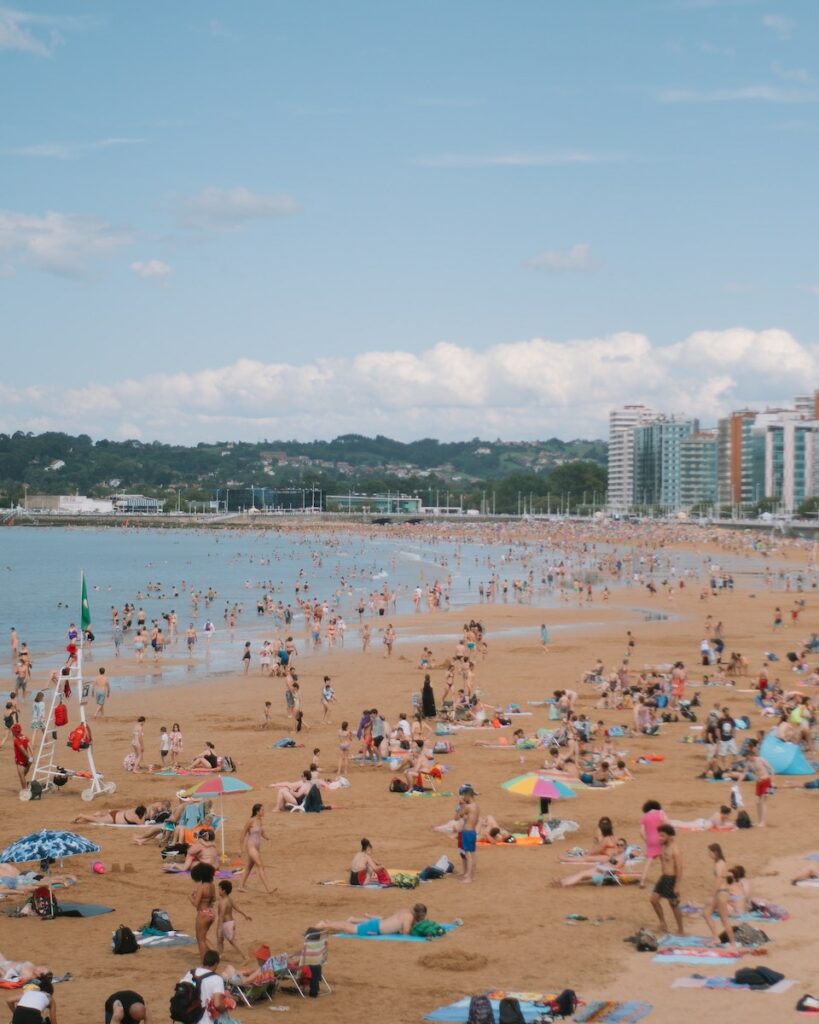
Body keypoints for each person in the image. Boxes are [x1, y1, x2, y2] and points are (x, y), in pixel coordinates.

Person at [649, 824, 684, 936]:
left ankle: (681, 930)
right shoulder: (662, 846)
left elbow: (679, 868)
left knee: (674, 905)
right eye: (659, 835)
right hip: (663, 877)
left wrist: (677, 885)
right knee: (654, 900)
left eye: (662, 836)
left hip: (672, 878)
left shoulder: (675, 849)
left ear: (669, 836)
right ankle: (663, 924)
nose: (660, 838)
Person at [313, 903, 427, 936]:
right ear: (419, 914)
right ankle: (324, 924)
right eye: (423, 916)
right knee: (349, 928)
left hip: (377, 924)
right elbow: (406, 933)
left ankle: (329, 923)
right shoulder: (409, 917)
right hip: (375, 928)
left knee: (349, 927)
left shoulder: (405, 911)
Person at [702, 842, 736, 948]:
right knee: (706, 913)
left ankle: (732, 943)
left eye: (710, 852)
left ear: (715, 852)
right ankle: (716, 938)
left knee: (724, 918)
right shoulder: (722, 862)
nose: (709, 854)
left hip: (721, 893)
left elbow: (718, 879)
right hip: (722, 892)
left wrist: (712, 895)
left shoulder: (718, 864)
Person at [177, 950, 225, 1024]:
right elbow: (217, 1004)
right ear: (216, 964)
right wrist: (224, 1009)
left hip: (188, 1018)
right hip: (204, 1020)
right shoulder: (217, 978)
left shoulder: (191, 972)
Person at [239, 804, 273, 894]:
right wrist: (240, 849)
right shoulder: (250, 821)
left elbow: (262, 832)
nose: (263, 812)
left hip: (256, 847)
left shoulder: (260, 820)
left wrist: (268, 838)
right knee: (260, 865)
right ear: (257, 811)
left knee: (249, 868)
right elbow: (243, 834)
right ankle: (268, 889)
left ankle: (241, 886)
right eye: (262, 810)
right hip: (251, 846)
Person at [216, 880, 251, 958]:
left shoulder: (223, 902)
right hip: (230, 922)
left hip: (225, 924)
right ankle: (219, 955)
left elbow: (221, 916)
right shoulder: (229, 899)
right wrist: (245, 914)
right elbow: (237, 908)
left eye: (219, 889)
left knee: (232, 941)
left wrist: (219, 929)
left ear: (223, 891)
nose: (218, 890)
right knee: (220, 940)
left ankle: (245, 957)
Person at [190, 862, 217, 958]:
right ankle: (215, 953)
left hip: (203, 914)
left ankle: (204, 960)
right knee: (204, 937)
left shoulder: (201, 887)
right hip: (211, 912)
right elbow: (214, 899)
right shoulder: (212, 886)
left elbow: (196, 904)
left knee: (200, 939)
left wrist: (190, 897)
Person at [639, 800, 668, 889]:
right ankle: (665, 880)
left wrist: (646, 841)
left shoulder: (644, 816)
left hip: (650, 840)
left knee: (648, 861)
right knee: (663, 860)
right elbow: (667, 823)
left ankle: (642, 881)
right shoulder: (661, 813)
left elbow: (641, 832)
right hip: (660, 839)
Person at [745, 739, 774, 827]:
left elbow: (772, 770)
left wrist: (772, 782)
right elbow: (744, 773)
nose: (747, 759)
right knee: (758, 802)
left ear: (751, 755)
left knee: (763, 801)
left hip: (766, 781)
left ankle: (763, 822)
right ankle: (759, 821)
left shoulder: (760, 760)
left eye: (748, 757)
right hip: (760, 782)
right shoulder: (750, 763)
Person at [457, 785, 479, 883]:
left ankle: (469, 877)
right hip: (473, 832)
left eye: (464, 796)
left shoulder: (468, 807)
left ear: (467, 795)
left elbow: (459, 815)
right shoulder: (476, 806)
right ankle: (472, 876)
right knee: (473, 855)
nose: (464, 798)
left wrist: (461, 804)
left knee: (468, 855)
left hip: (467, 832)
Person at [73, 805, 147, 826]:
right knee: (97, 820)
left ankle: (98, 814)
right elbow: (141, 823)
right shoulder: (135, 817)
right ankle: (82, 815)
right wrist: (143, 816)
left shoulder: (133, 811)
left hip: (116, 813)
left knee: (97, 818)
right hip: (113, 818)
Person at [11, 724, 32, 792]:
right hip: (28, 760)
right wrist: (32, 756)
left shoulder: (16, 739)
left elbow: (22, 749)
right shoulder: (25, 737)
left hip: (21, 760)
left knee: (22, 776)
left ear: (14, 731)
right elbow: (30, 746)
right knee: (23, 776)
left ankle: (25, 791)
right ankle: (26, 786)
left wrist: (29, 757)